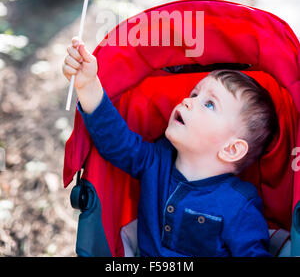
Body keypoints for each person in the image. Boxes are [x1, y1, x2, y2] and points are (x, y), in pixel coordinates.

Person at [62, 37, 277, 257]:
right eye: (194, 94)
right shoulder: (155, 160)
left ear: (231, 149)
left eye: (209, 104)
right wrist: (88, 85)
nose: (187, 100)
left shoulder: (239, 205)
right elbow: (116, 141)